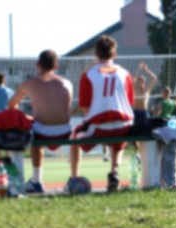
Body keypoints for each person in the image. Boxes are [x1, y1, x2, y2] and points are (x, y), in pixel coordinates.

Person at [67, 34, 134, 192]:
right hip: (123, 126)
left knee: (75, 135)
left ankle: (74, 177)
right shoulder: (125, 74)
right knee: (119, 139)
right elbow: (129, 103)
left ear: (96, 54)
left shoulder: (88, 74)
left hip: (99, 126)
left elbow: (85, 108)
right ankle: (114, 172)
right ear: (115, 54)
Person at [8, 50, 73, 193]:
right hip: (65, 130)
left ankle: (36, 181)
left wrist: (28, 117)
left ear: (38, 65)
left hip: (41, 131)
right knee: (36, 129)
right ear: (56, 67)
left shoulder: (29, 83)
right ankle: (74, 177)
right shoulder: (67, 83)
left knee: (29, 131)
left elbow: (12, 104)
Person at [133, 61, 157, 126]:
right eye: (139, 80)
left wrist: (146, 69)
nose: (140, 82)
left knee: (146, 127)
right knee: (134, 128)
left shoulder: (146, 89)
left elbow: (154, 78)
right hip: (135, 111)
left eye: (142, 80)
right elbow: (133, 78)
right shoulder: (135, 89)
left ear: (144, 82)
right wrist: (138, 69)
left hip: (144, 111)